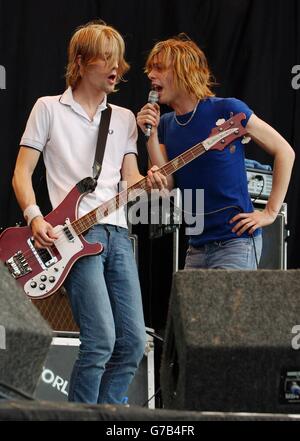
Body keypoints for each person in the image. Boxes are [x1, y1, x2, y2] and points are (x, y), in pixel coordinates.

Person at [12, 21, 166, 404]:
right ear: (81, 63)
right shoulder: (48, 109)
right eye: (107, 60)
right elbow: (21, 174)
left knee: (132, 343)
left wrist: (150, 176)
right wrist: (35, 218)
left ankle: (107, 417)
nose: (117, 69)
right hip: (77, 236)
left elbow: (129, 181)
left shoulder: (126, 118)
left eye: (119, 61)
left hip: (118, 233)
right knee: (100, 342)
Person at [137, 34, 295, 270]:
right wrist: (150, 137)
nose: (150, 75)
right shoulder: (166, 125)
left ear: (184, 71)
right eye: (150, 69)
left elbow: (285, 151)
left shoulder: (226, 109)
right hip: (197, 246)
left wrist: (270, 213)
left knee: (228, 309)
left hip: (235, 243)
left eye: (159, 68)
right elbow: (167, 184)